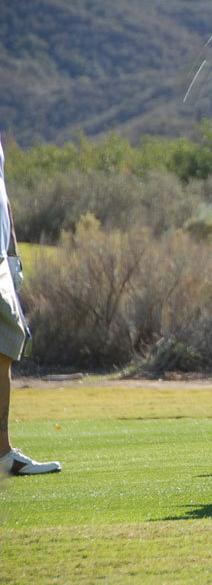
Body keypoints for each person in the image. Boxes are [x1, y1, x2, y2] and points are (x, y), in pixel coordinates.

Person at [0, 129, 61, 476]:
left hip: (0, 259)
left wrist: (12, 253)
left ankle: (3, 454)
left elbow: (2, 195)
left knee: (6, 347)